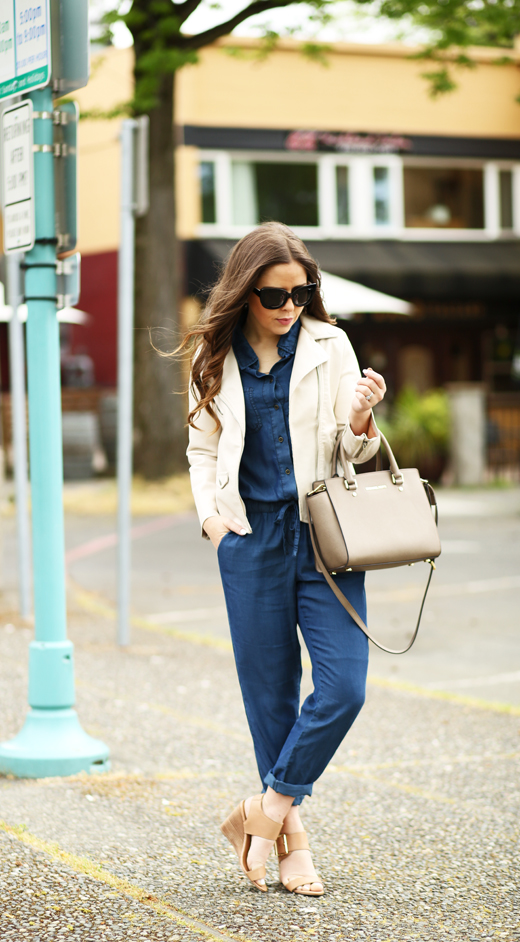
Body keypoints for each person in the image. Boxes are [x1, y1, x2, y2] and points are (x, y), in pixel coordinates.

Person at [185, 222, 386, 895]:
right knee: (270, 698)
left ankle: (263, 813)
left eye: (301, 294)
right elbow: (202, 451)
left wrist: (360, 421)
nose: (290, 307)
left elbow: (349, 451)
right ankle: (292, 844)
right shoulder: (212, 358)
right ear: (246, 290)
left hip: (324, 534)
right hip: (250, 538)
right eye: (276, 295)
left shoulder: (330, 346)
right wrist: (212, 521)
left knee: (342, 688)